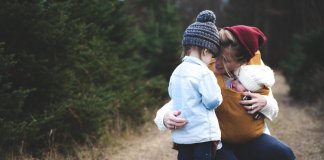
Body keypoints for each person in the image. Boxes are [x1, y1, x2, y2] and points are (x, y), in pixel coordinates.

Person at [154, 25, 296, 160]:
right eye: (217, 56)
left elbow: (274, 109)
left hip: (251, 139)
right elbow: (181, 98)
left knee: (284, 153)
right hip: (217, 142)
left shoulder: (255, 72)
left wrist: (265, 103)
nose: (218, 63)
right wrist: (164, 117)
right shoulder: (204, 70)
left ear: (243, 61)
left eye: (226, 60)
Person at [168, 10, 223, 160]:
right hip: (202, 135)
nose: (211, 59)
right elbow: (212, 101)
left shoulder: (177, 71)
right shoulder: (204, 73)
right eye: (212, 54)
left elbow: (172, 95)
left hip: (182, 136)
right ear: (205, 51)